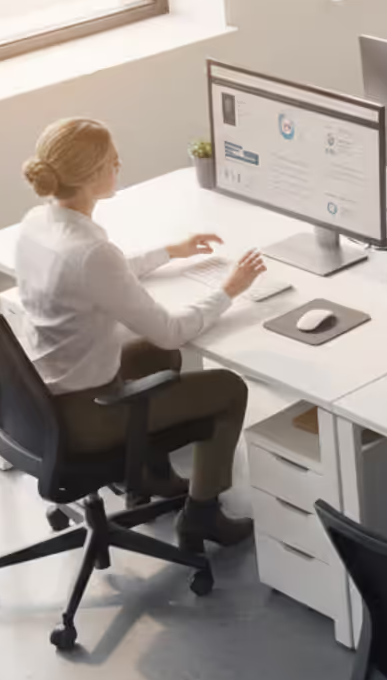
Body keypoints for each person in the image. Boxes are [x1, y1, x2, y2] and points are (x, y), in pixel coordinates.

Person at [14, 118, 260, 549]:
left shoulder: (38, 221)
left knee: (152, 358)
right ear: (92, 178)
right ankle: (202, 515)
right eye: (113, 161)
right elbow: (171, 330)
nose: (119, 165)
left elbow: (101, 273)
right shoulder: (92, 253)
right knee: (226, 387)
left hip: (40, 397)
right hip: (85, 415)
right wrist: (229, 291)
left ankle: (151, 476)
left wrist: (171, 251)